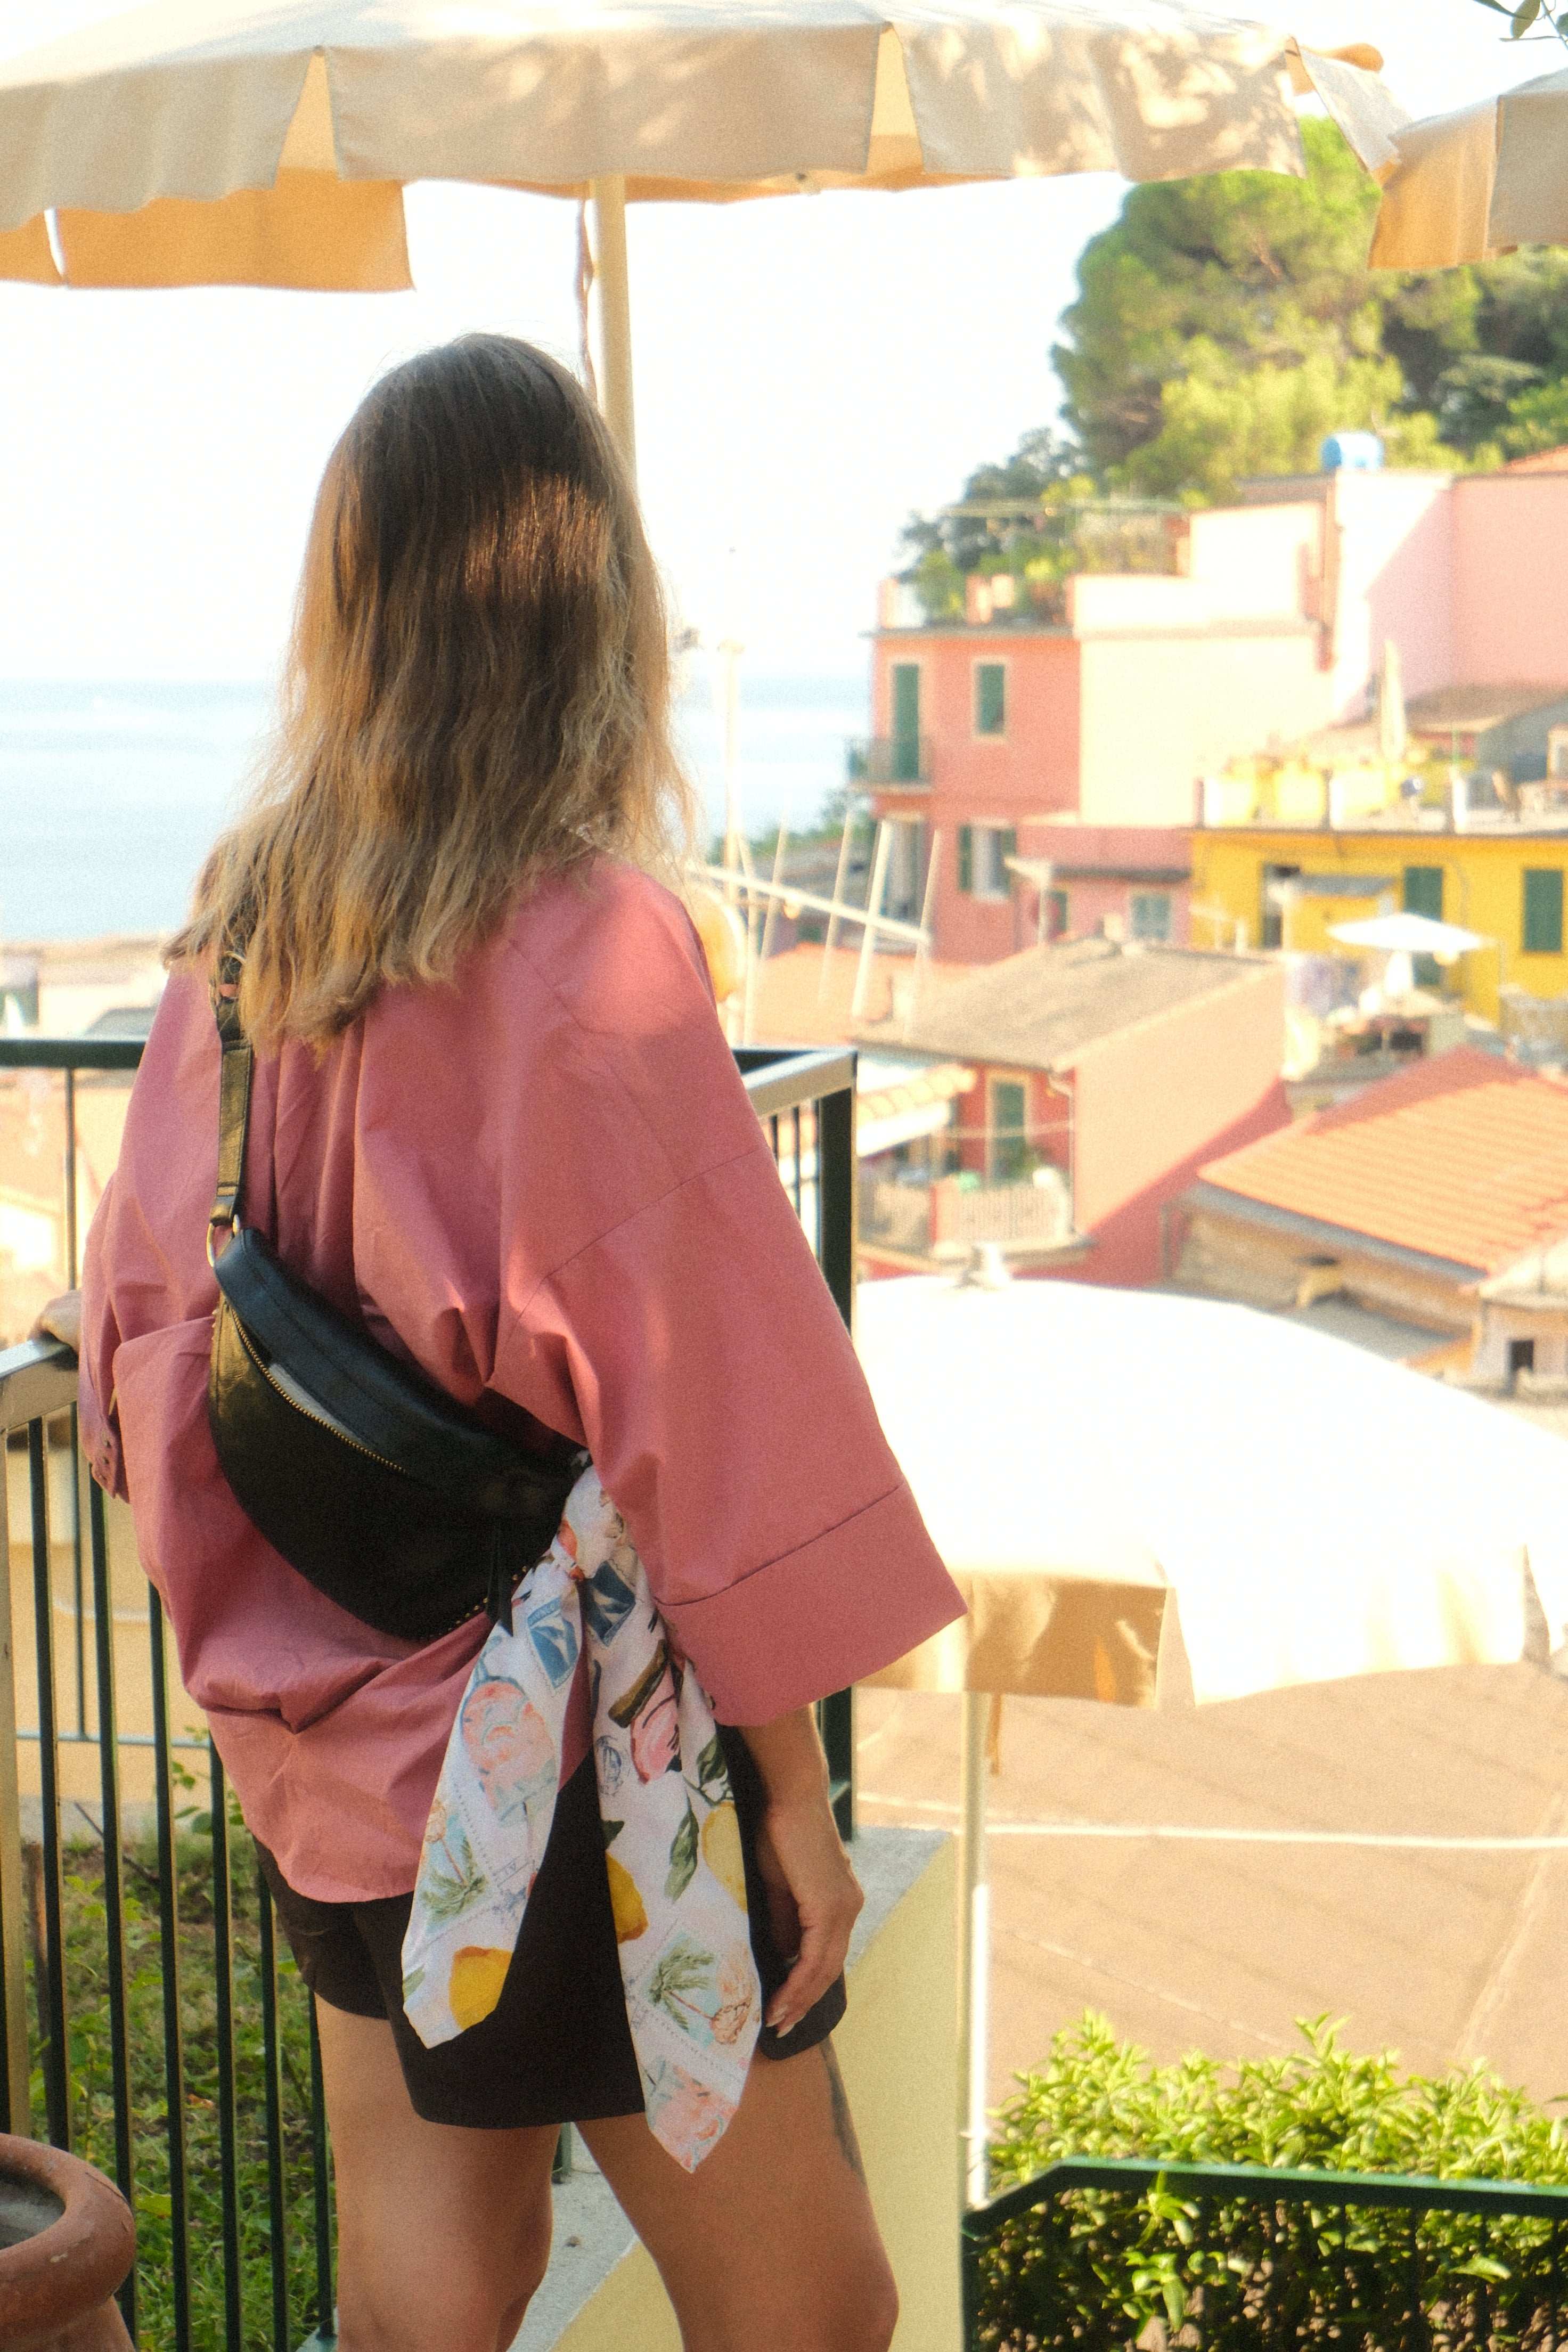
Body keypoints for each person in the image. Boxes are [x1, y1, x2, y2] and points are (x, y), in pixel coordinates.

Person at [52, 336, 963, 2352]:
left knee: (425, 2289)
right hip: (575, 1757)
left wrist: (273, 1643)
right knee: (814, 2308)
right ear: (594, 603)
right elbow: (704, 1401)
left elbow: (141, 1324)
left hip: (334, 1719)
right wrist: (795, 1800)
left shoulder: (251, 919)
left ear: (352, 608)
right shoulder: (592, 944)